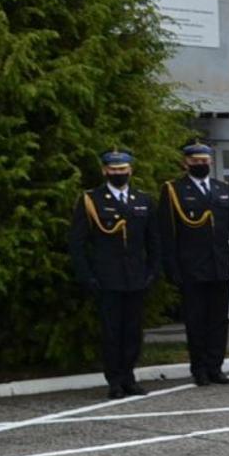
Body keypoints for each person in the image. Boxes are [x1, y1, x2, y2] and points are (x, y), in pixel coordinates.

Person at [68, 148, 159, 399]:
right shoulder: (91, 200)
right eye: (113, 169)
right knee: (111, 332)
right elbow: (77, 243)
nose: (118, 173)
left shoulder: (143, 200)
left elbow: (154, 241)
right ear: (104, 171)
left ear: (130, 170)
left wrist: (152, 271)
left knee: (132, 331)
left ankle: (129, 376)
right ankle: (115, 381)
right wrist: (88, 276)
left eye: (122, 169)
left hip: (136, 278)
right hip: (106, 278)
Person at [158, 138, 229, 386]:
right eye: (195, 161)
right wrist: (172, 268)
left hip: (219, 265)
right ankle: (200, 368)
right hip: (191, 267)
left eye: (204, 161)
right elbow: (167, 233)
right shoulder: (174, 190)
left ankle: (216, 366)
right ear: (186, 163)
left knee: (219, 320)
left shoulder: (223, 189)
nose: (200, 164)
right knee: (196, 320)